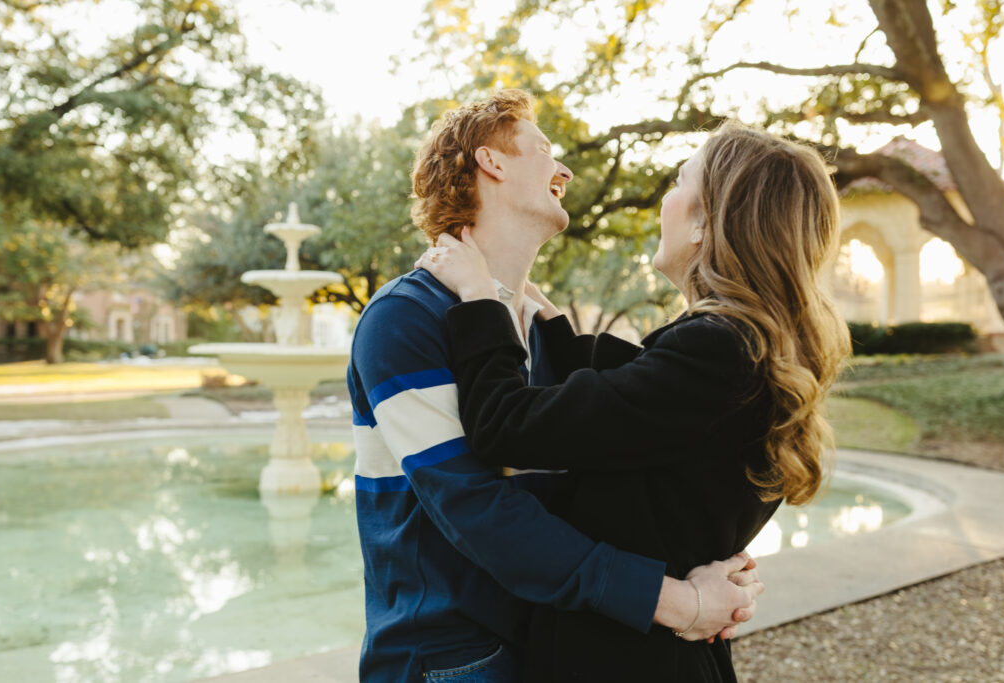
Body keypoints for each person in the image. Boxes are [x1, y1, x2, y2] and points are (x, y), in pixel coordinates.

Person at [347, 91, 764, 682]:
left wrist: (717, 561)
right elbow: (476, 506)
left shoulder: (533, 329)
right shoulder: (406, 318)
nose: (565, 170)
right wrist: (675, 601)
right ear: (491, 162)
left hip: (553, 644)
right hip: (453, 658)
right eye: (544, 150)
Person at [416, 121, 852, 681]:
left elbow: (505, 424)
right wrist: (543, 315)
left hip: (626, 662)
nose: (666, 198)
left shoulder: (715, 349)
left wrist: (481, 300)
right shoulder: (749, 348)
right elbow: (629, 398)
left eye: (679, 181)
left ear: (704, 221)